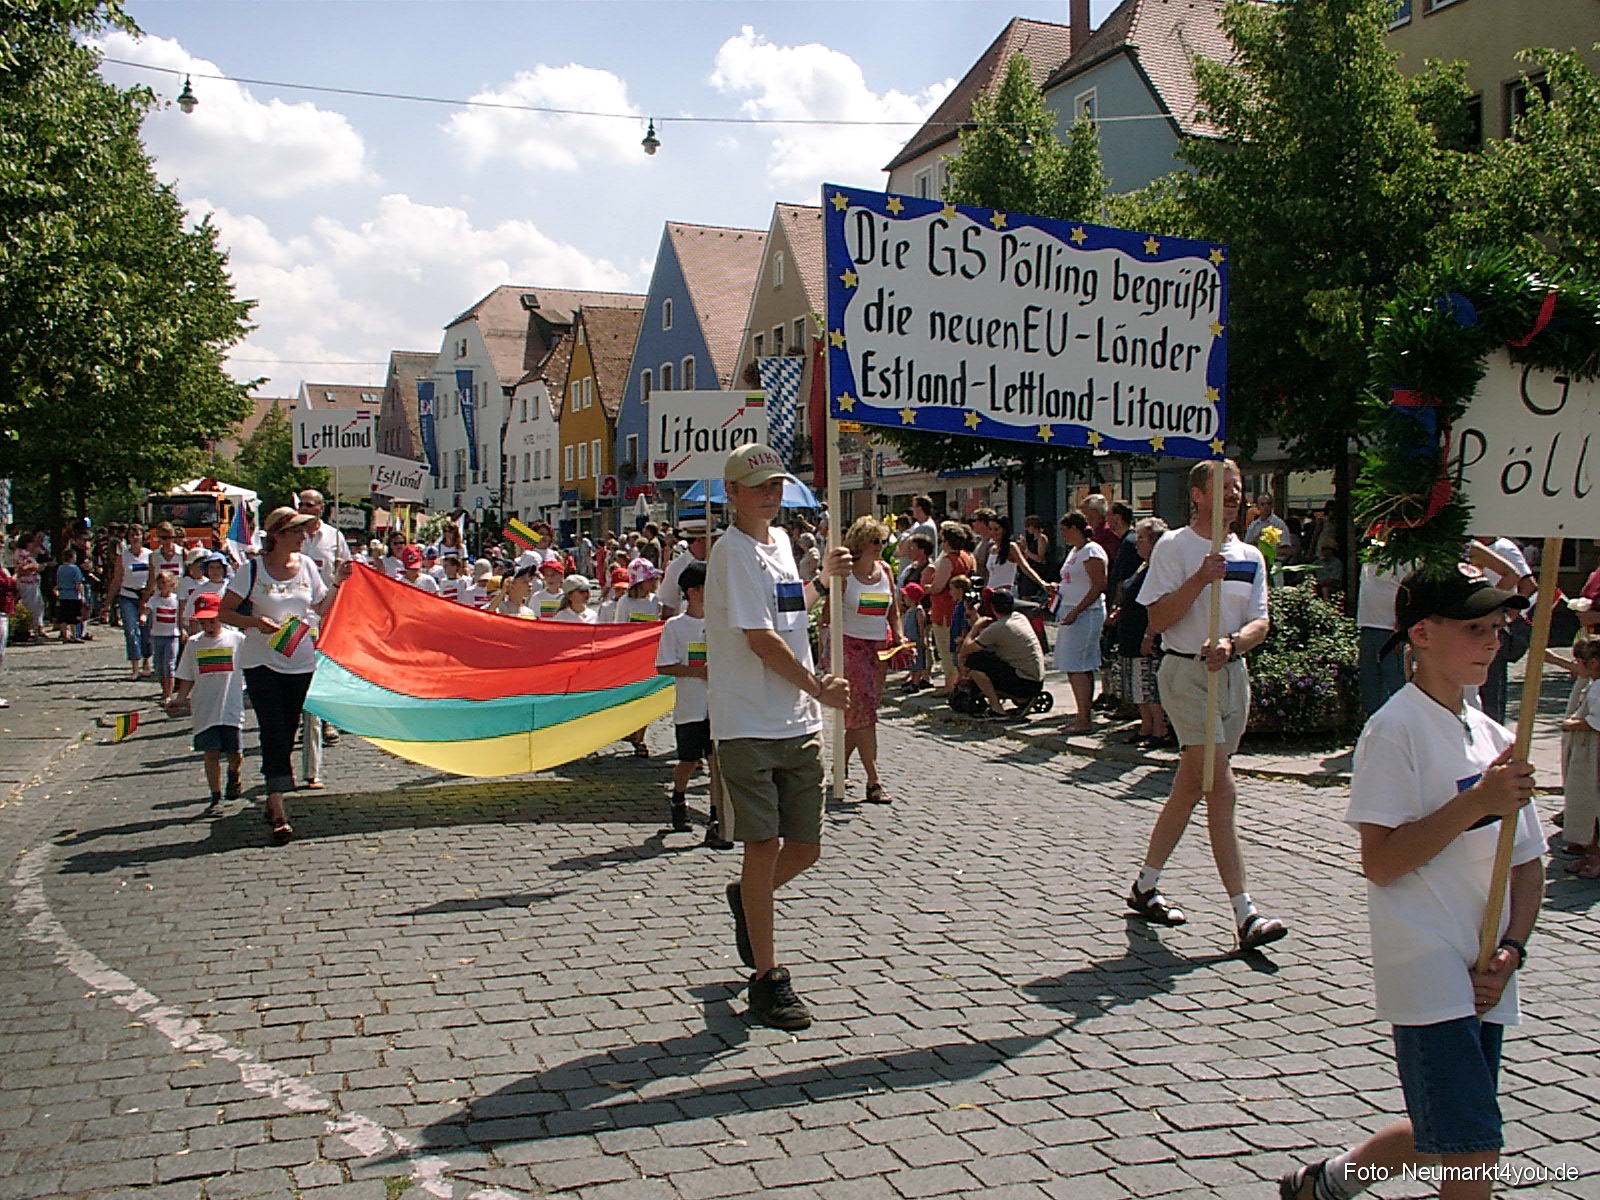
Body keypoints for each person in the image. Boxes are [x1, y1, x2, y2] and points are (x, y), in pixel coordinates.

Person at [1281, 566, 1541, 1200]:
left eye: (1498, 627)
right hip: (1426, 967)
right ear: (1421, 634)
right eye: (1474, 627)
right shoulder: (1394, 729)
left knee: (1446, 1131)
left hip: (1486, 966)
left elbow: (1528, 861)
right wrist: (1476, 802)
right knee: (1471, 1149)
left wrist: (1512, 949)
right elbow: (1382, 862)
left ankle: (1331, 1181)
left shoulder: (1494, 734)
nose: (1493, 640)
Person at [707, 442, 849, 1031]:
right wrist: (818, 687)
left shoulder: (784, 544)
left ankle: (749, 896)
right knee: (763, 845)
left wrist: (824, 582)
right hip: (748, 721)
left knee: (807, 847)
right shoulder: (731, 552)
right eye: (758, 486)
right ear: (732, 493)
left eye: (776, 486)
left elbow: (788, 612)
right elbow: (761, 640)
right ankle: (768, 979)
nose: (770, 495)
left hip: (797, 720)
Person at [1126, 459, 1285, 951]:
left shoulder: (1251, 555)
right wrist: (1199, 579)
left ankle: (1145, 885)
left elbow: (1261, 621)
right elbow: (1157, 617)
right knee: (1221, 787)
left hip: (1231, 675)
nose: (1235, 494)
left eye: (1238, 487)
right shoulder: (1175, 546)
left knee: (1191, 786)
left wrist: (1234, 643)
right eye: (1224, 487)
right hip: (1186, 674)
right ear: (1198, 495)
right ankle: (1245, 912)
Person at [219, 506, 346, 844]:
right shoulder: (252, 570)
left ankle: (273, 788)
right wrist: (255, 622)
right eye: (297, 531)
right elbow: (224, 612)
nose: (304, 537)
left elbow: (321, 607)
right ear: (278, 534)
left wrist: (338, 582)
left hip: (299, 660)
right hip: (261, 661)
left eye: (304, 531)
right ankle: (277, 805)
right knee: (272, 728)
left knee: (288, 730)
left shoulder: (306, 566)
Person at [654, 561, 730, 844]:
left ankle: (716, 817)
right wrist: (697, 672)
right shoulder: (675, 627)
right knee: (689, 761)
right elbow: (664, 665)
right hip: (690, 707)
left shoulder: (720, 622)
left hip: (718, 706)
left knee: (716, 762)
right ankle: (678, 796)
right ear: (693, 592)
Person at [829, 516, 899, 805]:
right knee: (865, 714)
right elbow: (828, 615)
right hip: (851, 646)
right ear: (860, 543)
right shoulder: (846, 575)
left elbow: (893, 609)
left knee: (862, 713)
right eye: (874, 541)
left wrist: (900, 635)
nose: (879, 546)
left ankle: (839, 766)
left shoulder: (885, 570)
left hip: (878, 648)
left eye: (882, 541)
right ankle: (874, 780)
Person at [166, 593, 246, 816]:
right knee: (211, 753)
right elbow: (187, 676)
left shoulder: (237, 640)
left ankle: (234, 773)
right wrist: (180, 699)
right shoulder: (194, 644)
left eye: (212, 621)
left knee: (235, 753)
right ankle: (216, 796)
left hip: (230, 707)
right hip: (204, 710)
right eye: (203, 622)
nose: (208, 626)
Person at [1051, 512, 1108, 735]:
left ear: (1075, 528)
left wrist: (1077, 611)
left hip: (1086, 614)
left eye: (1065, 530)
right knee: (1072, 665)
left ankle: (1085, 719)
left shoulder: (1091, 551)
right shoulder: (1075, 551)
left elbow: (1098, 585)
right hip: (1069, 611)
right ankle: (1081, 715)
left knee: (1079, 665)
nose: (1063, 535)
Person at [1117, 517, 1170, 746]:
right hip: (1130, 632)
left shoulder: (1159, 568)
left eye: (1141, 539)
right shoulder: (1143, 564)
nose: (1137, 543)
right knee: (1137, 683)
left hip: (1145, 632)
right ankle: (1145, 726)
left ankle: (1159, 730)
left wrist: (1150, 634)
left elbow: (1156, 603)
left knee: (1149, 683)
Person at [959, 589, 1046, 717]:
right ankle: (1020, 699)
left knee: (974, 660)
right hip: (1036, 680)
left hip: (1025, 683)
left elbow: (965, 650)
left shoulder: (998, 628)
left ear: (992, 607)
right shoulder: (1019, 617)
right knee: (988, 658)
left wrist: (975, 626)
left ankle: (997, 708)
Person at [1557, 638, 1600, 879]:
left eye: (1579, 661)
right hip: (1585, 751)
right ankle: (1588, 851)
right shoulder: (1593, 684)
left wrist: (1573, 724)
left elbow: (1596, 721)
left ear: (1593, 663)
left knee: (1590, 801)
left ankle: (1596, 855)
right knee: (1581, 800)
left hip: (1593, 754)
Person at [1357, 558, 1411, 716]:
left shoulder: (1403, 559)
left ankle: (1402, 719)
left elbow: (1408, 592)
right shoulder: (1368, 558)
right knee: (1369, 679)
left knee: (1394, 678)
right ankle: (1372, 720)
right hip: (1367, 626)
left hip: (1390, 629)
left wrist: (1402, 626)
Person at [928, 522, 976, 696]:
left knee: (946, 648)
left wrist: (927, 588)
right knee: (956, 647)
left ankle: (950, 684)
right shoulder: (967, 557)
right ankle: (957, 681)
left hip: (944, 610)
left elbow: (938, 587)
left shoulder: (948, 560)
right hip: (960, 607)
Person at [107, 523, 152, 678]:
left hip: (146, 596)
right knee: (131, 631)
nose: (135, 538)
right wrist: (108, 602)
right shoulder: (123, 557)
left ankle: (147, 661)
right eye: (132, 535)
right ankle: (135, 666)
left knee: (146, 631)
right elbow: (116, 580)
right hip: (128, 596)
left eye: (138, 535)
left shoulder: (150, 555)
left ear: (143, 537)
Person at [297, 490, 351, 591]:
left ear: (321, 508)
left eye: (309, 505)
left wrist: (340, 570)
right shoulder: (290, 534)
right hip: (297, 596)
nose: (304, 508)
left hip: (327, 596)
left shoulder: (335, 535)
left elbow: (348, 569)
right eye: (301, 505)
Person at [656, 521, 711, 617]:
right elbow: (668, 607)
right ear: (698, 540)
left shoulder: (720, 563)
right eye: (712, 538)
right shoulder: (675, 568)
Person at [143, 571, 183, 705]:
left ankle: (168, 694)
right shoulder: (154, 599)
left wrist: (182, 629)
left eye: (164, 583)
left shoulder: (176, 600)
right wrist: (143, 616)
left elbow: (180, 615)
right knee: (159, 666)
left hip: (172, 636)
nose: (161, 586)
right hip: (157, 635)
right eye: (159, 583)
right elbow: (147, 610)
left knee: (169, 665)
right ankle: (164, 688)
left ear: (172, 584)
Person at [898, 581, 931, 691]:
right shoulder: (908, 611)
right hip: (909, 640)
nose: (904, 599)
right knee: (911, 662)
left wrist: (923, 639)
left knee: (918, 662)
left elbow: (921, 627)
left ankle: (916, 683)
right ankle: (912, 680)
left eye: (906, 596)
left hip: (916, 640)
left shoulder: (918, 611)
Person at [1245, 492, 1296, 557]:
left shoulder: (1279, 524)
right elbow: (1246, 546)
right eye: (1262, 504)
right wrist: (1256, 541)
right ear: (1257, 507)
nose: (1266, 507)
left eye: (1268, 504)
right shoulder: (1253, 526)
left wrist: (1269, 551)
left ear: (1272, 506)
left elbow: (1287, 550)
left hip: (1276, 560)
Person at [53, 547, 86, 644]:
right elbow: (78, 583)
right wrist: (82, 595)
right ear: (72, 557)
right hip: (73, 595)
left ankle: (64, 635)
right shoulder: (75, 569)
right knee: (74, 617)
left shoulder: (60, 568)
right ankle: (74, 635)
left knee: (63, 617)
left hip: (63, 595)